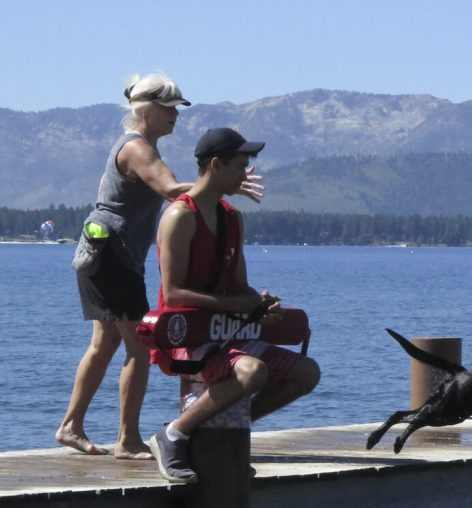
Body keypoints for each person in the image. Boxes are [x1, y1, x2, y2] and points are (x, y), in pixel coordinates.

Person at [58, 72, 264, 459]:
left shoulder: (141, 145)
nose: (175, 116)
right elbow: (170, 190)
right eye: (169, 108)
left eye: (178, 109)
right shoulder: (137, 149)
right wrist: (222, 185)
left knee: (104, 345)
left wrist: (221, 186)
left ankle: (71, 426)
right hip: (113, 255)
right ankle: (128, 440)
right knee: (139, 347)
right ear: (147, 109)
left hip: (105, 253)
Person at [148, 127, 320, 483]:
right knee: (252, 372)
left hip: (229, 333)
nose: (246, 175)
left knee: (307, 372)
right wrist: (235, 305)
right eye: (240, 166)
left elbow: (239, 285)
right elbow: (175, 292)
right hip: (186, 339)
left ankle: (222, 434)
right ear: (216, 165)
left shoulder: (231, 218)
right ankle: (173, 435)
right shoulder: (180, 217)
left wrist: (258, 304)